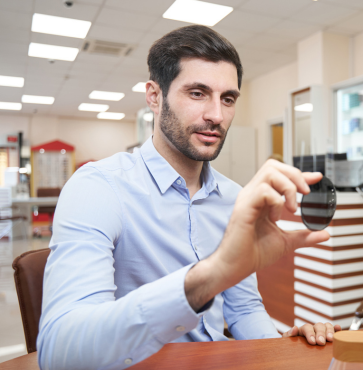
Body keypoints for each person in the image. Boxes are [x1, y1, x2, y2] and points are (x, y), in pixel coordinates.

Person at [37, 25, 341, 369]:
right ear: (154, 96)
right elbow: (60, 353)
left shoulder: (234, 197)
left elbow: (243, 310)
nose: (217, 115)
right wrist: (208, 276)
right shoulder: (98, 188)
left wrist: (278, 351)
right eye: (198, 93)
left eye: (228, 98)